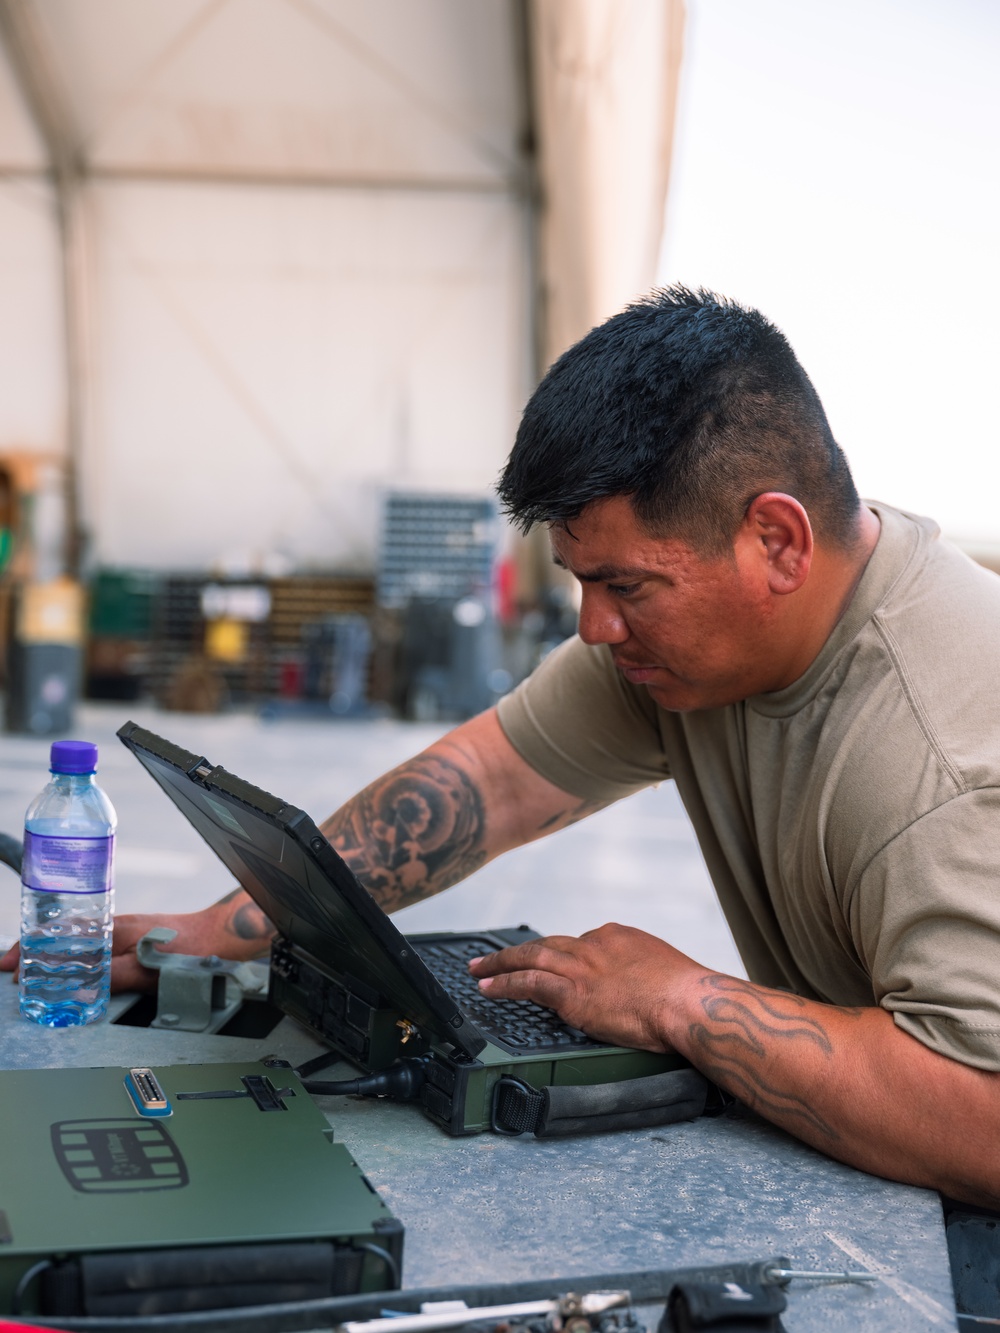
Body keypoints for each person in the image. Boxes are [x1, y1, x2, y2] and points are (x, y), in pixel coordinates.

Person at [7, 286, 998, 1208]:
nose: (594, 628)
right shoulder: (696, 647)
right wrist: (216, 930)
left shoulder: (944, 757)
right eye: (578, 581)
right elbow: (487, 781)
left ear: (776, 540)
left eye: (626, 587)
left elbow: (982, 1121)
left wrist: (681, 1000)